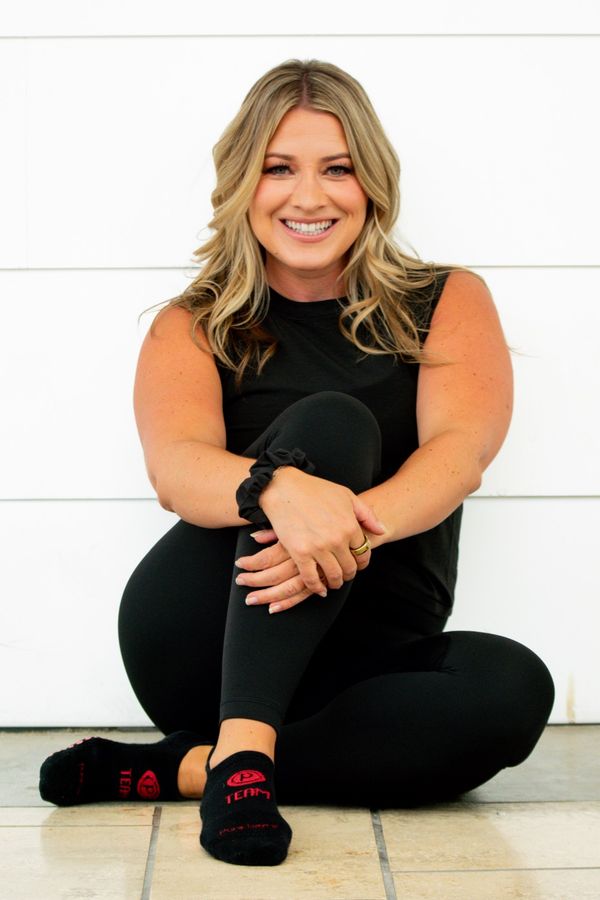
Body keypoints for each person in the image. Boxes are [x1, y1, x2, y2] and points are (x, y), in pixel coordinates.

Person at [39, 58, 555, 868]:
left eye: (337, 169)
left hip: (367, 660)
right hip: (207, 644)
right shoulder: (193, 325)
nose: (309, 197)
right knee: (331, 425)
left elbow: (460, 453)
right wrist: (278, 489)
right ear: (242, 184)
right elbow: (176, 468)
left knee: (513, 689)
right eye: (279, 168)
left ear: (372, 183)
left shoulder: (446, 299)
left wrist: (346, 534)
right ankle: (242, 747)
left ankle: (191, 768)